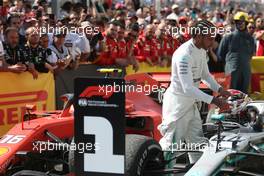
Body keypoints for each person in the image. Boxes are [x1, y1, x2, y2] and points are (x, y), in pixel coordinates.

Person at [158, 20, 231, 169]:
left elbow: (205, 75)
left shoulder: (202, 50)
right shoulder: (183, 54)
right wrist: (214, 100)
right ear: (198, 36)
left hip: (191, 105)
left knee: (197, 143)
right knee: (172, 146)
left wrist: (220, 89)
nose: (212, 42)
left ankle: (198, 171)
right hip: (177, 106)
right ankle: (165, 172)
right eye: (209, 38)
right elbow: (187, 88)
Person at [217, 12, 255, 94]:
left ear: (246, 23)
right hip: (231, 71)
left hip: (245, 71)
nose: (239, 24)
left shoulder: (251, 39)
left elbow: (252, 54)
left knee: (244, 96)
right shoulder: (228, 37)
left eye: (242, 22)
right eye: (237, 22)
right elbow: (220, 55)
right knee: (230, 95)